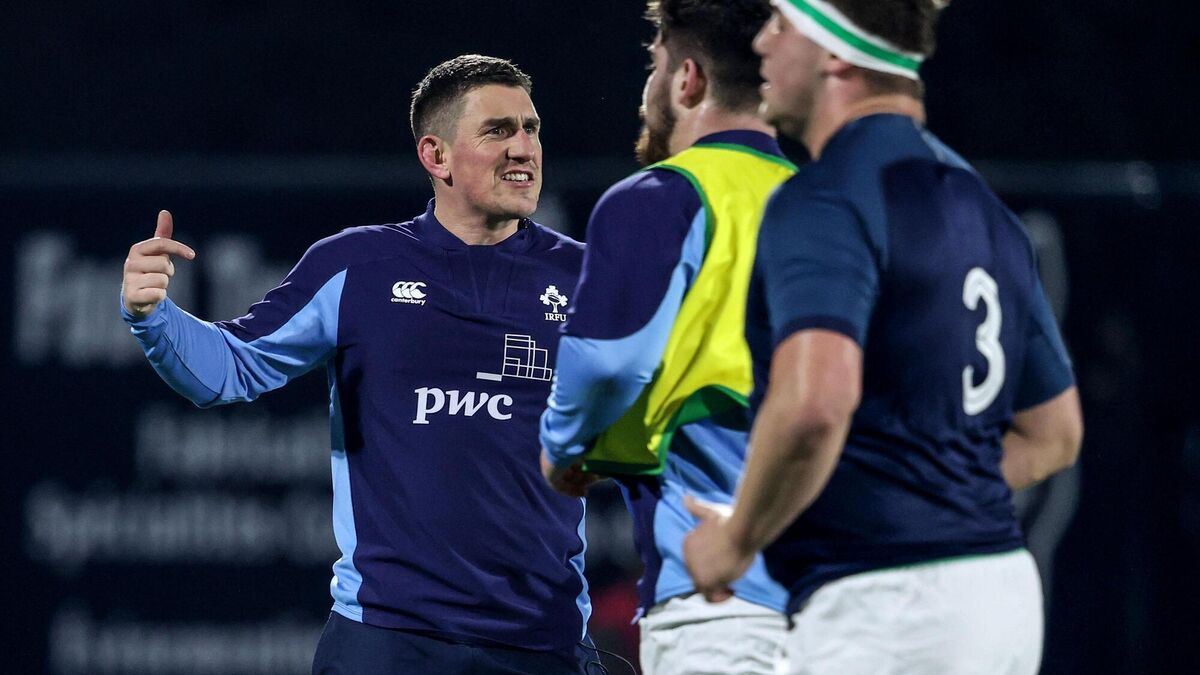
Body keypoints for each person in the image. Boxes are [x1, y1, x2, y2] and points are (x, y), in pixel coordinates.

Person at [120, 55, 594, 675]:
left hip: (543, 643)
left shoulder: (590, 278)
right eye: (497, 131)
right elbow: (230, 368)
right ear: (436, 156)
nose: (524, 149)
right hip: (389, 640)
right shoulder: (358, 266)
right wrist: (152, 315)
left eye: (531, 129)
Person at [683, 1, 1084, 673]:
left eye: (782, 22)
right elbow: (1055, 434)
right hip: (1001, 594)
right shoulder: (985, 208)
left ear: (836, 54)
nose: (761, 42)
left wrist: (737, 540)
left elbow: (815, 403)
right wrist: (930, 499)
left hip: (889, 607)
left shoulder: (828, 198)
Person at [538, 2, 793, 672]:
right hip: (849, 603)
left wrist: (564, 445)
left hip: (725, 602)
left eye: (654, 63)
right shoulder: (831, 202)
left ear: (687, 79)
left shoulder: (660, 196)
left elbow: (607, 365)